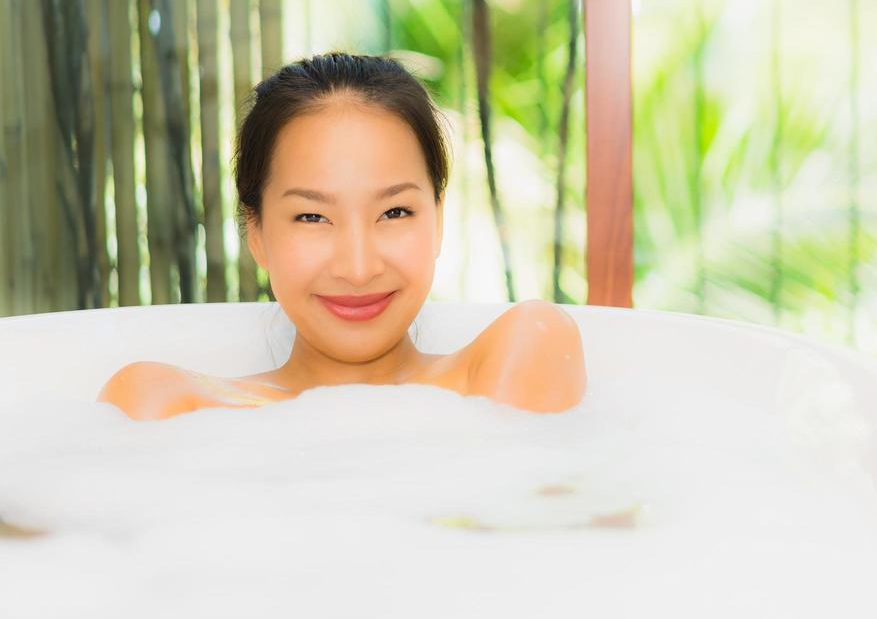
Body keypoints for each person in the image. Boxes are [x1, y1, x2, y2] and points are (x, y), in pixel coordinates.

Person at [98, 53, 586, 421]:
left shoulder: (522, 353)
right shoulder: (164, 408)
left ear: (437, 219)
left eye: (394, 211)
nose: (358, 268)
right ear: (257, 232)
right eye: (312, 217)